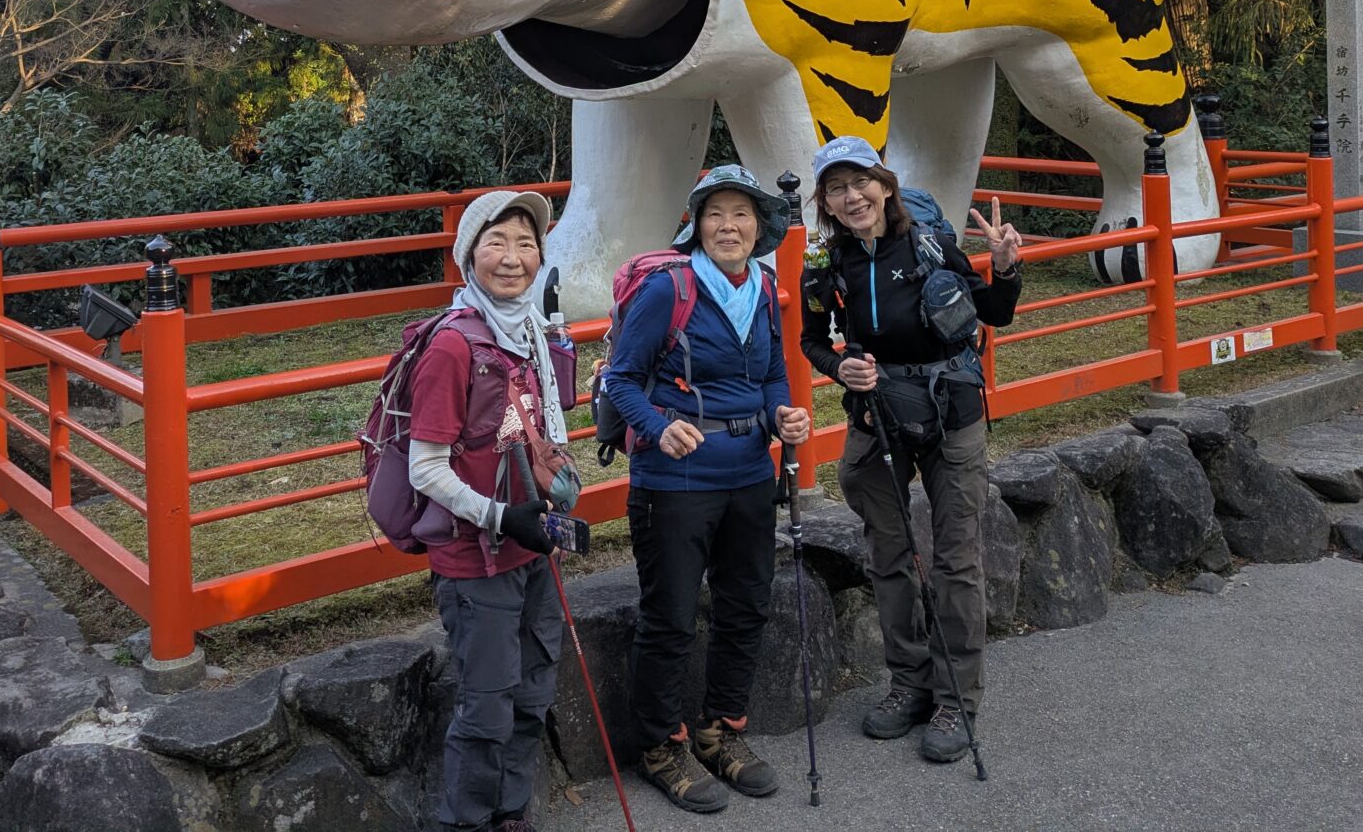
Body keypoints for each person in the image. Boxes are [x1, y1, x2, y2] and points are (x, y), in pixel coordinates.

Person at [798, 136, 1022, 764]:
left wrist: (1003, 266)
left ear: (885, 185)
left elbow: (993, 314)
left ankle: (958, 697)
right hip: (877, 413)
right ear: (827, 203)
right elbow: (812, 338)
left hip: (952, 412)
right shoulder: (826, 262)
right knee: (888, 554)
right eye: (836, 188)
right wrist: (841, 367)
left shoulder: (926, 243)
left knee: (955, 559)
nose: (852, 196)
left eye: (860, 182)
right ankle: (909, 681)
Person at [599, 164, 814, 814]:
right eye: (715, 213)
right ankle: (662, 746)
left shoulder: (765, 285)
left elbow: (774, 373)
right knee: (669, 619)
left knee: (746, 605)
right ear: (696, 224)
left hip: (749, 472)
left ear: (759, 226)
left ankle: (721, 729)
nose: (729, 225)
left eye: (741, 214)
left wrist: (784, 415)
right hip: (677, 480)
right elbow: (622, 380)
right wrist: (659, 428)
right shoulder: (670, 290)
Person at [407, 189, 577, 832]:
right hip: (476, 558)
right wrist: (503, 517)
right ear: (467, 255)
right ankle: (467, 821)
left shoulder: (531, 330)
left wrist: (553, 492)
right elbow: (426, 468)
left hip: (533, 544)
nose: (513, 258)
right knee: (486, 708)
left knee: (532, 693)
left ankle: (512, 812)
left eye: (526, 242)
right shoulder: (452, 346)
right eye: (496, 242)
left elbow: (536, 430)